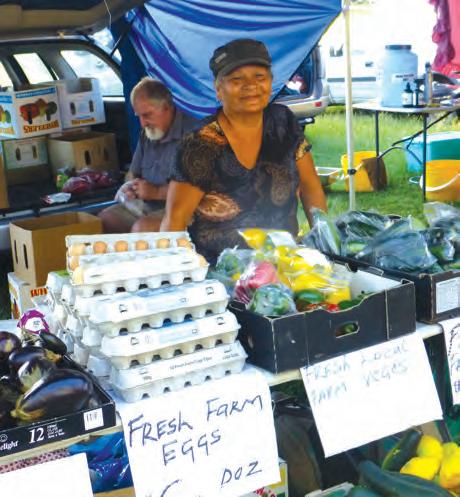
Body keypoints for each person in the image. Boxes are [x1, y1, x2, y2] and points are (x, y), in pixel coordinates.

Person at [161, 38, 327, 263]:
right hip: (219, 270)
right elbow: (175, 220)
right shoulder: (201, 144)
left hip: (284, 263)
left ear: (270, 82)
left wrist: (325, 242)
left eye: (259, 77)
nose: (250, 85)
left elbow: (310, 187)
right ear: (218, 89)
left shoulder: (283, 123)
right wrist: (178, 271)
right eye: (236, 79)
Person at [99, 77, 198, 233]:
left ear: (166, 107)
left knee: (142, 228)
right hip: (149, 205)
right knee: (106, 219)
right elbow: (133, 173)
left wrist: (156, 192)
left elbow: (196, 191)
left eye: (147, 115)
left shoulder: (195, 136)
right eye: (139, 116)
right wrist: (130, 187)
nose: (143, 123)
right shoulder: (148, 134)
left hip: (187, 209)